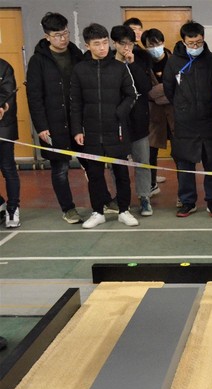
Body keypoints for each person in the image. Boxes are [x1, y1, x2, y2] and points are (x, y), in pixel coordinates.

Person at [70, 23, 138, 229]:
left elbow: (131, 95)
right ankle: (97, 212)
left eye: (105, 43)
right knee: (95, 175)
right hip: (91, 132)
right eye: (97, 44)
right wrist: (77, 129)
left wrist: (119, 113)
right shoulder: (80, 70)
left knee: (121, 173)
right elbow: (75, 103)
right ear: (87, 46)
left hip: (116, 130)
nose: (102, 48)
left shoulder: (119, 67)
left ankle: (124, 210)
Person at [25, 12, 84, 224]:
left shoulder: (77, 55)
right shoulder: (38, 61)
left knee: (92, 163)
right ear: (47, 36)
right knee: (60, 169)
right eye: (58, 35)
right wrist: (41, 126)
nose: (63, 38)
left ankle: (103, 202)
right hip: (53, 124)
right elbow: (34, 96)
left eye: (66, 33)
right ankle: (68, 209)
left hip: (79, 121)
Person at [163, 21, 212, 218]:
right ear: (183, 41)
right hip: (185, 122)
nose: (195, 46)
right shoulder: (174, 62)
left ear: (203, 38)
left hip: (209, 120)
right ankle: (188, 201)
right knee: (185, 164)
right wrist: (183, 106)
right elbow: (169, 89)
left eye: (199, 42)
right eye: (191, 43)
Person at [111, 25, 154, 217]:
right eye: (123, 44)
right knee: (117, 163)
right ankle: (121, 199)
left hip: (138, 119)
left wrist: (133, 64)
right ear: (115, 43)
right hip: (116, 121)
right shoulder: (107, 62)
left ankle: (144, 197)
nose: (127, 47)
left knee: (142, 161)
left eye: (130, 43)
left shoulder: (142, 59)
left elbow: (146, 87)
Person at [141, 28, 173, 195]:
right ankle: (151, 184)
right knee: (150, 152)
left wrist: (158, 93)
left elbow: (179, 88)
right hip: (153, 115)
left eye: (157, 44)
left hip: (174, 114)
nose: (154, 48)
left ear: (163, 43)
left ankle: (184, 193)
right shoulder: (142, 64)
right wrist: (167, 91)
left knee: (180, 153)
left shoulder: (174, 61)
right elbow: (146, 91)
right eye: (150, 46)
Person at [0, 58, 21, 228]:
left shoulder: (4, 67)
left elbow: (7, 94)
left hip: (4, 127)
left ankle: (13, 208)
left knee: (8, 168)